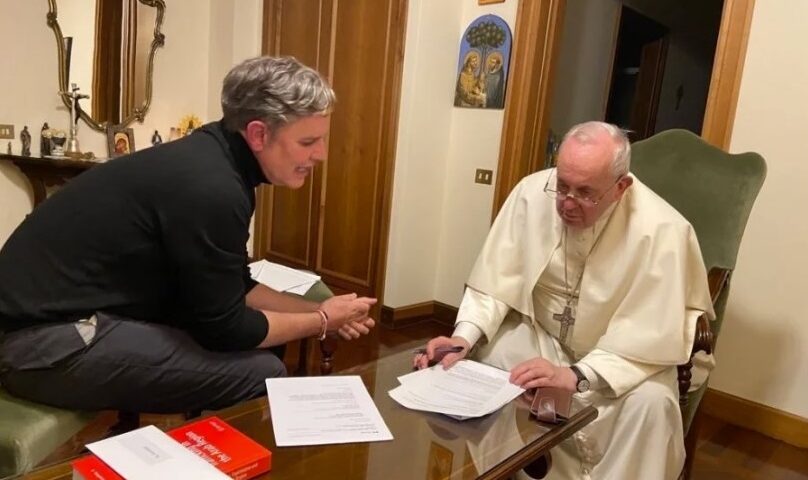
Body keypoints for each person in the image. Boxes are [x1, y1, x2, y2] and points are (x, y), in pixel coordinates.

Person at [0, 56, 376, 414]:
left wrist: (322, 310)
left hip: (62, 320)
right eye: (308, 142)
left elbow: (236, 286)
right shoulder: (212, 186)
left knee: (267, 346)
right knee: (263, 371)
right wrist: (323, 321)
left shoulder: (211, 157)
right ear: (258, 134)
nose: (322, 154)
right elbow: (226, 329)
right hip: (37, 344)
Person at [415, 121, 714, 479]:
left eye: (585, 193)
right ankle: (512, 470)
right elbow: (495, 282)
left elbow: (649, 336)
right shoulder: (530, 193)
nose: (566, 204)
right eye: (562, 186)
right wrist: (463, 339)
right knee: (487, 360)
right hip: (545, 338)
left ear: (621, 187)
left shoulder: (664, 230)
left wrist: (576, 375)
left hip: (622, 360)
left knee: (651, 407)